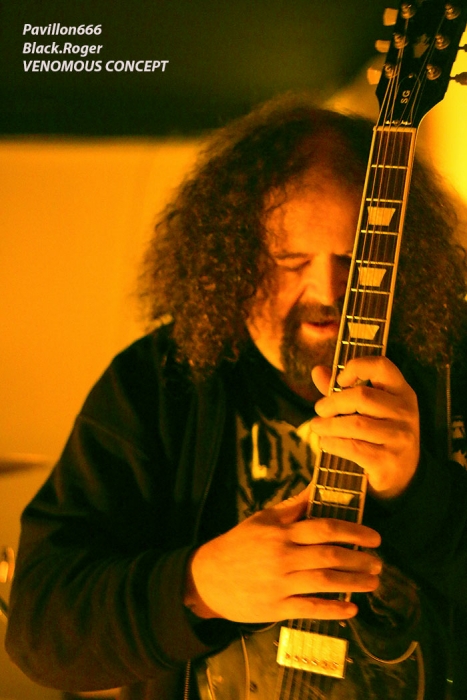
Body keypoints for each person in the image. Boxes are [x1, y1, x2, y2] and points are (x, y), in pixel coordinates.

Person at [5, 95, 467, 700]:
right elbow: (41, 628)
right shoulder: (157, 382)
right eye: (290, 260)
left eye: (353, 260)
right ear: (232, 257)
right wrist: (199, 587)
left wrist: (419, 491)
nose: (327, 291)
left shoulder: (451, 364)